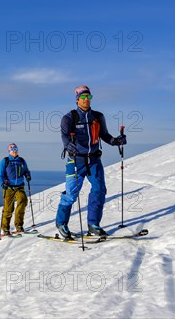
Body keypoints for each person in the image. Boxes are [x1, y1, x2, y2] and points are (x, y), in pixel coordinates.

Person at [55, 85, 127, 239]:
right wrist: (69, 146)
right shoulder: (69, 118)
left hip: (94, 159)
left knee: (99, 190)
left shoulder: (98, 117)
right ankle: (61, 223)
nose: (86, 100)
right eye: (83, 97)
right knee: (71, 194)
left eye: (89, 97)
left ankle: (93, 225)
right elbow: (65, 137)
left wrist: (116, 141)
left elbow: (105, 135)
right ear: (77, 100)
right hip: (75, 161)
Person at [0, 143, 31, 235]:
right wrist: (2, 183)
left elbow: (26, 170)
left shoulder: (21, 160)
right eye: (12, 149)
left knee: (23, 201)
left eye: (16, 149)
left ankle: (19, 225)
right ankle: (5, 228)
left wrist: (27, 175)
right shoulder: (5, 161)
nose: (14, 151)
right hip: (8, 188)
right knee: (8, 208)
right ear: (9, 151)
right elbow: (0, 174)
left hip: (19, 186)